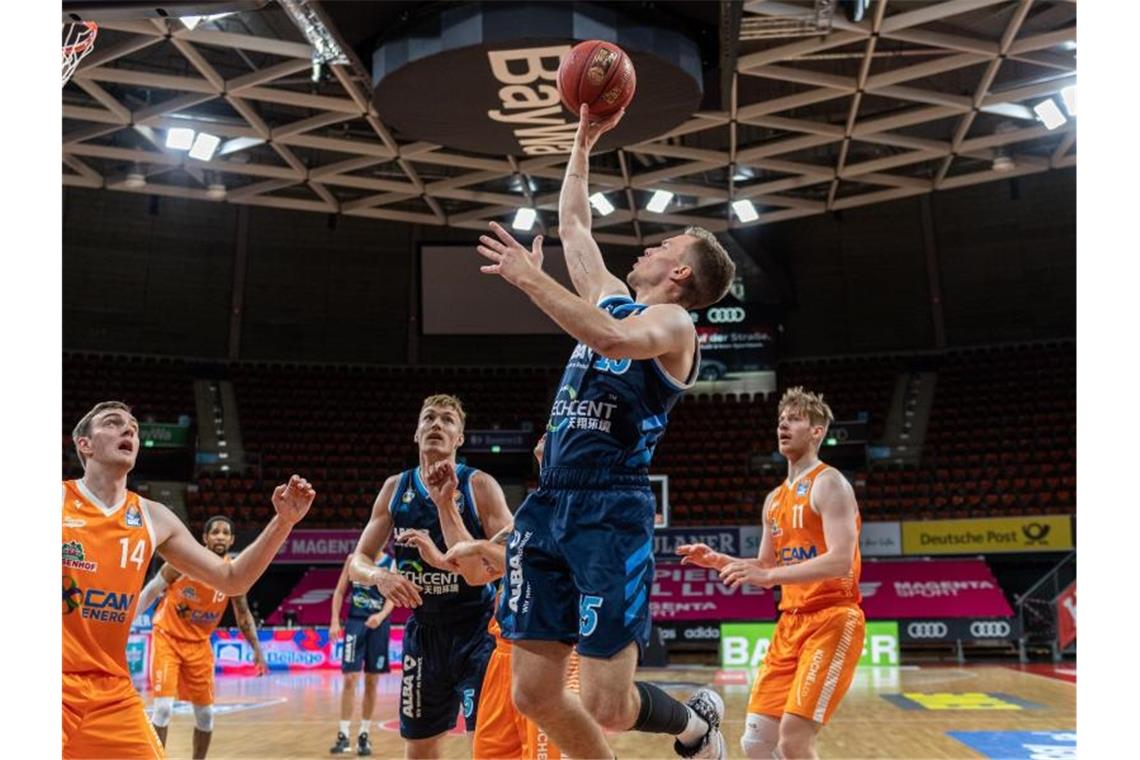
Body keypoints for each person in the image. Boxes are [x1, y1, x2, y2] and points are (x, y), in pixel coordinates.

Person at [473, 102, 737, 759]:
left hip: (609, 510)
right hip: (549, 500)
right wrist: (583, 142)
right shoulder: (611, 292)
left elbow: (610, 336)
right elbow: (574, 221)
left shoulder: (675, 328)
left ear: (679, 274)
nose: (648, 246)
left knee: (606, 704)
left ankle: (696, 723)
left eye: (664, 246)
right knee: (531, 694)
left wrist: (532, 282)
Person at [63, 401, 315, 759]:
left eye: (133, 426)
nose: (129, 430)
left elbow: (232, 580)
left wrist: (283, 523)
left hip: (111, 691)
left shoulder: (154, 517)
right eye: (113, 423)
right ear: (84, 444)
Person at [677, 387, 864, 760]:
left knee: (793, 740)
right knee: (757, 742)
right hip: (790, 623)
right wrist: (718, 561)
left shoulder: (830, 483)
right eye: (781, 419)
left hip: (832, 618)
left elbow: (840, 560)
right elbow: (764, 565)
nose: (783, 424)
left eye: (794, 418)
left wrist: (770, 576)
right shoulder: (774, 499)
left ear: (817, 431)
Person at [346, 394, 514, 758]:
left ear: (460, 439)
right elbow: (356, 561)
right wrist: (379, 577)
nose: (437, 424)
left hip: (478, 631)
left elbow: (510, 560)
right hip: (424, 634)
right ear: (416, 433)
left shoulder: (479, 486)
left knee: (486, 745)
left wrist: (447, 555)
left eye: (448, 420)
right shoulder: (395, 488)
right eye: (429, 418)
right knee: (419, 748)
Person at [401, 434, 578, 760]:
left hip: (547, 653)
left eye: (556, 430)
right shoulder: (533, 508)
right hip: (502, 654)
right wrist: (445, 507)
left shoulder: (578, 506)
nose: (545, 434)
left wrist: (481, 547)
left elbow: (544, 569)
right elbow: (476, 571)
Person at [131, 515, 269, 759]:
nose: (220, 536)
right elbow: (151, 590)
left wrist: (257, 649)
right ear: (204, 538)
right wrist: (126, 621)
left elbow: (244, 615)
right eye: (215, 532)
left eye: (226, 533)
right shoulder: (181, 563)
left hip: (199, 645)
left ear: (232, 540)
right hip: (168, 638)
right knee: (162, 709)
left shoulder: (234, 573)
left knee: (206, 716)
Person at [328, 549, 396, 756]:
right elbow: (340, 591)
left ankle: (364, 735)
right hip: (355, 622)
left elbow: (392, 598)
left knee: (372, 681)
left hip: (378, 624)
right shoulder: (353, 559)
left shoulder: (390, 562)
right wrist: (334, 620)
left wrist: (381, 615)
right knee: (349, 678)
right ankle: (343, 734)